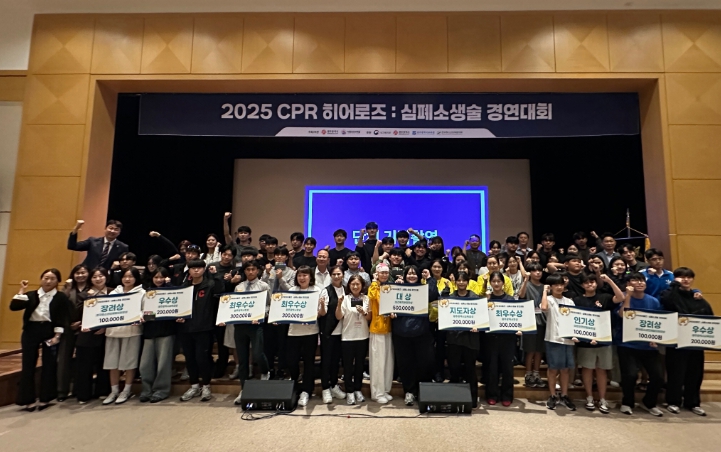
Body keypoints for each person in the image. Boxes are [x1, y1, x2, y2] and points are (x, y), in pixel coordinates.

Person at [10, 269, 72, 411]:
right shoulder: (31, 295)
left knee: (49, 364)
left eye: (52, 279)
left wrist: (57, 336)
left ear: (57, 281)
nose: (48, 281)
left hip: (49, 331)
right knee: (28, 364)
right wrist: (22, 290)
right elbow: (14, 306)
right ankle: (27, 399)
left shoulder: (60, 297)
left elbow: (62, 318)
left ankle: (46, 397)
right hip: (31, 331)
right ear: (41, 279)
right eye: (46, 278)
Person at [661, 267, 713, 416]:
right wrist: (675, 285)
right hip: (676, 341)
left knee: (695, 374)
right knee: (676, 373)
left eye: (689, 277)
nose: (685, 279)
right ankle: (673, 401)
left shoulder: (698, 298)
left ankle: (693, 402)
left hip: (695, 343)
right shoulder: (669, 294)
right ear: (675, 279)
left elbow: (710, 317)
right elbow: (668, 301)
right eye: (682, 277)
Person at [573, 273, 624, 413]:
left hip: (603, 340)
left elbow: (621, 298)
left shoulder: (605, 297)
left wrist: (609, 281)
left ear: (596, 283)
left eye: (592, 282)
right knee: (587, 369)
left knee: (602, 370)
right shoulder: (577, 300)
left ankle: (602, 399)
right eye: (586, 282)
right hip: (585, 341)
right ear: (582, 285)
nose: (590, 284)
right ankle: (589, 397)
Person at [615, 272, 664, 416]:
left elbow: (657, 322)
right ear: (628, 284)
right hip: (627, 344)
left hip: (648, 346)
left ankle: (649, 402)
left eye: (642, 280)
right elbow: (623, 315)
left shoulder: (653, 301)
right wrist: (628, 297)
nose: (640, 283)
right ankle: (627, 402)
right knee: (630, 375)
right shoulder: (622, 297)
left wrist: (655, 338)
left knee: (658, 376)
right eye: (635, 280)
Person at [391, 265, 438, 406]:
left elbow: (433, 294)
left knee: (423, 363)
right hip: (401, 333)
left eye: (414, 274)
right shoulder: (397, 289)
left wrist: (429, 278)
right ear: (404, 276)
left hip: (421, 333)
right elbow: (388, 303)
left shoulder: (423, 289)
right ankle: (409, 391)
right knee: (405, 364)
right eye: (409, 274)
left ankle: (422, 391)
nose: (411, 276)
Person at [178, 260, 224, 402]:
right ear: (189, 270)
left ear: (204, 269)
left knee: (202, 358)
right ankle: (194, 386)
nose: (196, 270)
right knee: (190, 358)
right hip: (186, 328)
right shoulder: (184, 287)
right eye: (193, 268)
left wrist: (216, 276)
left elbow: (221, 294)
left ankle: (206, 386)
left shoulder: (210, 285)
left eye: (199, 268)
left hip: (204, 328)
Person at [230, 259, 272, 405]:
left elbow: (269, 305)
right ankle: (243, 390)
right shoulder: (239, 287)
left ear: (258, 271)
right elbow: (234, 306)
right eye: (248, 269)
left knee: (257, 353)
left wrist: (261, 315)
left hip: (256, 325)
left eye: (253, 269)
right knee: (242, 359)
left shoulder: (263, 286)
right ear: (244, 271)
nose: (251, 272)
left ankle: (265, 371)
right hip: (240, 326)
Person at [103, 267, 144, 405]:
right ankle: (114, 390)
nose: (127, 279)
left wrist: (140, 317)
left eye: (131, 276)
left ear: (136, 278)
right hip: (113, 332)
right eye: (125, 276)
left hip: (131, 331)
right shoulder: (114, 292)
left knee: (129, 362)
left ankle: (127, 390)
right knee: (112, 362)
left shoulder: (142, 293)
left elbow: (145, 311)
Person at [441, 272, 480, 408]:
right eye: (459, 280)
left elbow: (480, 318)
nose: (461, 283)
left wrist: (478, 325)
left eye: (464, 280)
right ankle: (455, 398)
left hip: (470, 340)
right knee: (454, 370)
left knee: (470, 370)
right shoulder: (450, 298)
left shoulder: (475, 298)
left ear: (468, 282)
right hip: (454, 339)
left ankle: (473, 399)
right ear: (455, 282)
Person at [139, 268, 177, 403]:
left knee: (163, 364)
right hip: (149, 331)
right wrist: (142, 316)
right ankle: (146, 390)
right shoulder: (146, 292)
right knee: (145, 365)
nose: (159, 280)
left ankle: (161, 390)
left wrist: (169, 284)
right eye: (156, 277)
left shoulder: (173, 291)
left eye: (162, 277)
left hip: (166, 331)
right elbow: (142, 310)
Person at [286, 266, 323, 407]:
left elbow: (321, 312)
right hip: (293, 332)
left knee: (309, 363)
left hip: (310, 332)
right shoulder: (291, 290)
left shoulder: (317, 290)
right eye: (299, 275)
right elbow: (285, 309)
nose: (302, 278)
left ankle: (307, 390)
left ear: (310, 277)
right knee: (292, 361)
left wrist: (313, 315)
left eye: (305, 275)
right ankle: (294, 386)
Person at [484, 271, 522, 406]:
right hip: (491, 338)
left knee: (507, 369)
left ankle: (507, 396)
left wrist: (520, 329)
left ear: (503, 283)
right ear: (490, 283)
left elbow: (517, 318)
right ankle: (492, 395)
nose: (496, 284)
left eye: (498, 281)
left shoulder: (510, 300)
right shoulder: (487, 300)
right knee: (492, 368)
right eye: (493, 281)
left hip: (508, 339)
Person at [74, 268, 111, 404]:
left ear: (106, 277)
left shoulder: (113, 292)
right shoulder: (84, 294)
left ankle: (103, 391)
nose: (98, 279)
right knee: (84, 366)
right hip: (87, 334)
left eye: (101, 276)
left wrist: (105, 327)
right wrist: (91, 298)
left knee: (104, 364)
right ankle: (83, 394)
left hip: (108, 334)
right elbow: (78, 313)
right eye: (94, 277)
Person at [541, 274, 577, 411]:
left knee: (565, 369)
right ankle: (552, 395)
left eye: (561, 284)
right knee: (553, 369)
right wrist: (545, 291)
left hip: (568, 340)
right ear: (551, 287)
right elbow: (544, 308)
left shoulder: (569, 301)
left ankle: (564, 395)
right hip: (553, 338)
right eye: (556, 285)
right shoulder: (548, 299)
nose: (559, 287)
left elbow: (574, 320)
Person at [336, 274, 371, 405]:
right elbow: (339, 316)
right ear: (349, 286)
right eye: (353, 284)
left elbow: (369, 318)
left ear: (362, 286)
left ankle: (357, 389)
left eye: (358, 284)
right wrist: (339, 304)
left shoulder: (366, 298)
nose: (355, 286)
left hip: (362, 336)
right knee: (348, 366)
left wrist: (364, 313)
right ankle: (349, 391)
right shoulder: (345, 299)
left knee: (360, 366)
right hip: (348, 337)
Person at [57, 264, 90, 401]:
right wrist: (67, 288)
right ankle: (62, 391)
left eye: (83, 272)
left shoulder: (92, 289)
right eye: (77, 273)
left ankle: (77, 389)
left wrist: (82, 322)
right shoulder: (68, 288)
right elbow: (60, 306)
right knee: (63, 359)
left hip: (85, 328)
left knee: (82, 360)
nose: (80, 275)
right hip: (67, 327)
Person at [318, 266, 347, 404]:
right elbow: (322, 313)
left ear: (343, 275)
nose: (336, 276)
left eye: (338, 274)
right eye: (334, 274)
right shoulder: (326, 290)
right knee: (326, 360)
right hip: (329, 331)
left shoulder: (347, 289)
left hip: (344, 331)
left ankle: (334, 385)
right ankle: (325, 388)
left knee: (336, 361)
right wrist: (322, 306)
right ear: (330, 276)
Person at [367, 264, 394, 404]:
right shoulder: (374, 287)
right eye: (381, 272)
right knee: (378, 362)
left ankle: (385, 390)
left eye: (386, 273)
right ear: (376, 273)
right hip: (377, 328)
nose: (384, 275)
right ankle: (377, 393)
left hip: (388, 328)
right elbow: (374, 298)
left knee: (387, 361)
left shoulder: (389, 287)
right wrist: (374, 281)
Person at [518, 262, 547, 388]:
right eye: (535, 270)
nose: (538, 273)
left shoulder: (545, 287)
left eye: (540, 270)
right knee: (530, 350)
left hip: (542, 321)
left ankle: (536, 374)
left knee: (539, 350)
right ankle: (528, 374)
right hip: (529, 321)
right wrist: (525, 280)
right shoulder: (527, 284)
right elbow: (521, 295)